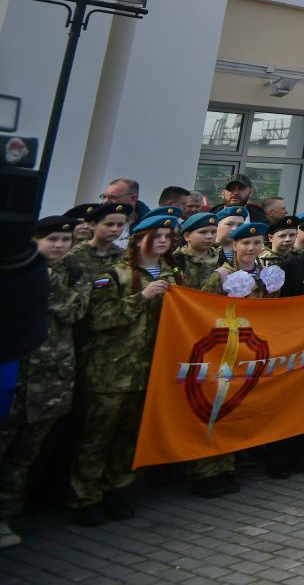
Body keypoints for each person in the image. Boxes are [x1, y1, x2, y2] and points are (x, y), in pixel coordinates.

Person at [69, 211, 179, 524]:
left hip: (149, 369)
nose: (162, 242)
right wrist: (140, 297)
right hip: (110, 370)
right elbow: (100, 319)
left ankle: (116, 489)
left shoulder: (171, 273)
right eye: (155, 236)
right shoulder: (114, 274)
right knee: (96, 437)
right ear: (139, 239)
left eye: (167, 237)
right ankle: (85, 497)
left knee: (129, 435)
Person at [0, 216, 87, 548]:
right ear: (34, 241)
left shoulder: (73, 273)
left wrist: (48, 285)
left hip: (51, 380)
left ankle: (5, 517)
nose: (60, 246)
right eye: (52, 239)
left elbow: (75, 311)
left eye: (65, 240)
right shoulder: (16, 273)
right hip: (13, 377)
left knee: (23, 457)